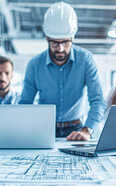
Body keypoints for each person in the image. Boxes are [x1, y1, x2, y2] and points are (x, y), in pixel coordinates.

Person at [19, 1, 105, 141]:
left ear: (72, 38)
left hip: (77, 129)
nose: (60, 49)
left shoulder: (85, 59)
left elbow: (97, 100)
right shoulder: (34, 65)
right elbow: (25, 104)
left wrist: (87, 130)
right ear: (47, 38)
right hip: (42, 129)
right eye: (54, 43)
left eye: (65, 42)